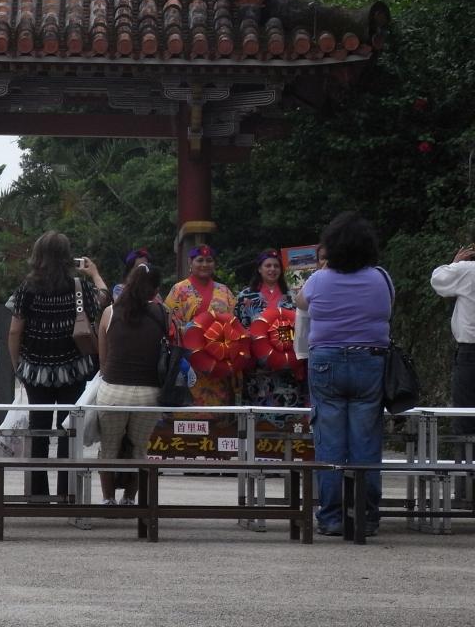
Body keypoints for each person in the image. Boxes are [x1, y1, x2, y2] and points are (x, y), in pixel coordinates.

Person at [295, 212, 393, 537]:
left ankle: (332, 517)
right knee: (366, 441)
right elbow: (389, 306)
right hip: (370, 361)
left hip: (326, 362)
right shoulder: (381, 278)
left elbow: (300, 302)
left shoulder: (319, 279)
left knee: (330, 441)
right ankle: (366, 516)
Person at [7, 232, 107, 498]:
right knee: (68, 430)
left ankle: (37, 495)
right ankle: (67, 493)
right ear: (67, 256)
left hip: (35, 370)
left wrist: (17, 365)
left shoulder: (26, 289)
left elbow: (15, 330)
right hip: (73, 368)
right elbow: (104, 299)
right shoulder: (79, 286)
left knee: (38, 430)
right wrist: (94, 273)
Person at [96, 263, 166, 505]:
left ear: (127, 284)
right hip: (149, 392)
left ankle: (108, 499)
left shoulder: (110, 312)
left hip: (113, 390)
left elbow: (103, 359)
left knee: (109, 448)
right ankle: (129, 498)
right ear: (155, 290)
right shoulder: (163, 314)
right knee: (139, 449)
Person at [236, 249, 308, 417]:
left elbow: (302, 328)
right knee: (257, 413)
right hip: (257, 364)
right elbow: (238, 326)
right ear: (259, 269)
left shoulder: (292, 296)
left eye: (276, 266)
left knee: (288, 411)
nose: (272, 269)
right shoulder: (245, 296)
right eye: (267, 265)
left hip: (287, 362)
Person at [164, 245, 237, 407]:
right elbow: (170, 325)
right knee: (187, 410)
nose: (205, 264)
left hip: (217, 360)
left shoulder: (224, 291)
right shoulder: (179, 290)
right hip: (187, 361)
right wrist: (193, 331)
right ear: (190, 262)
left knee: (217, 411)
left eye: (209, 260)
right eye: (200, 260)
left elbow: (234, 324)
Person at [430, 241, 475, 434]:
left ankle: (466, 453)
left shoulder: (467, 270)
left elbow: (438, 280)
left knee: (466, 414)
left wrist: (455, 263)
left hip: (470, 350)